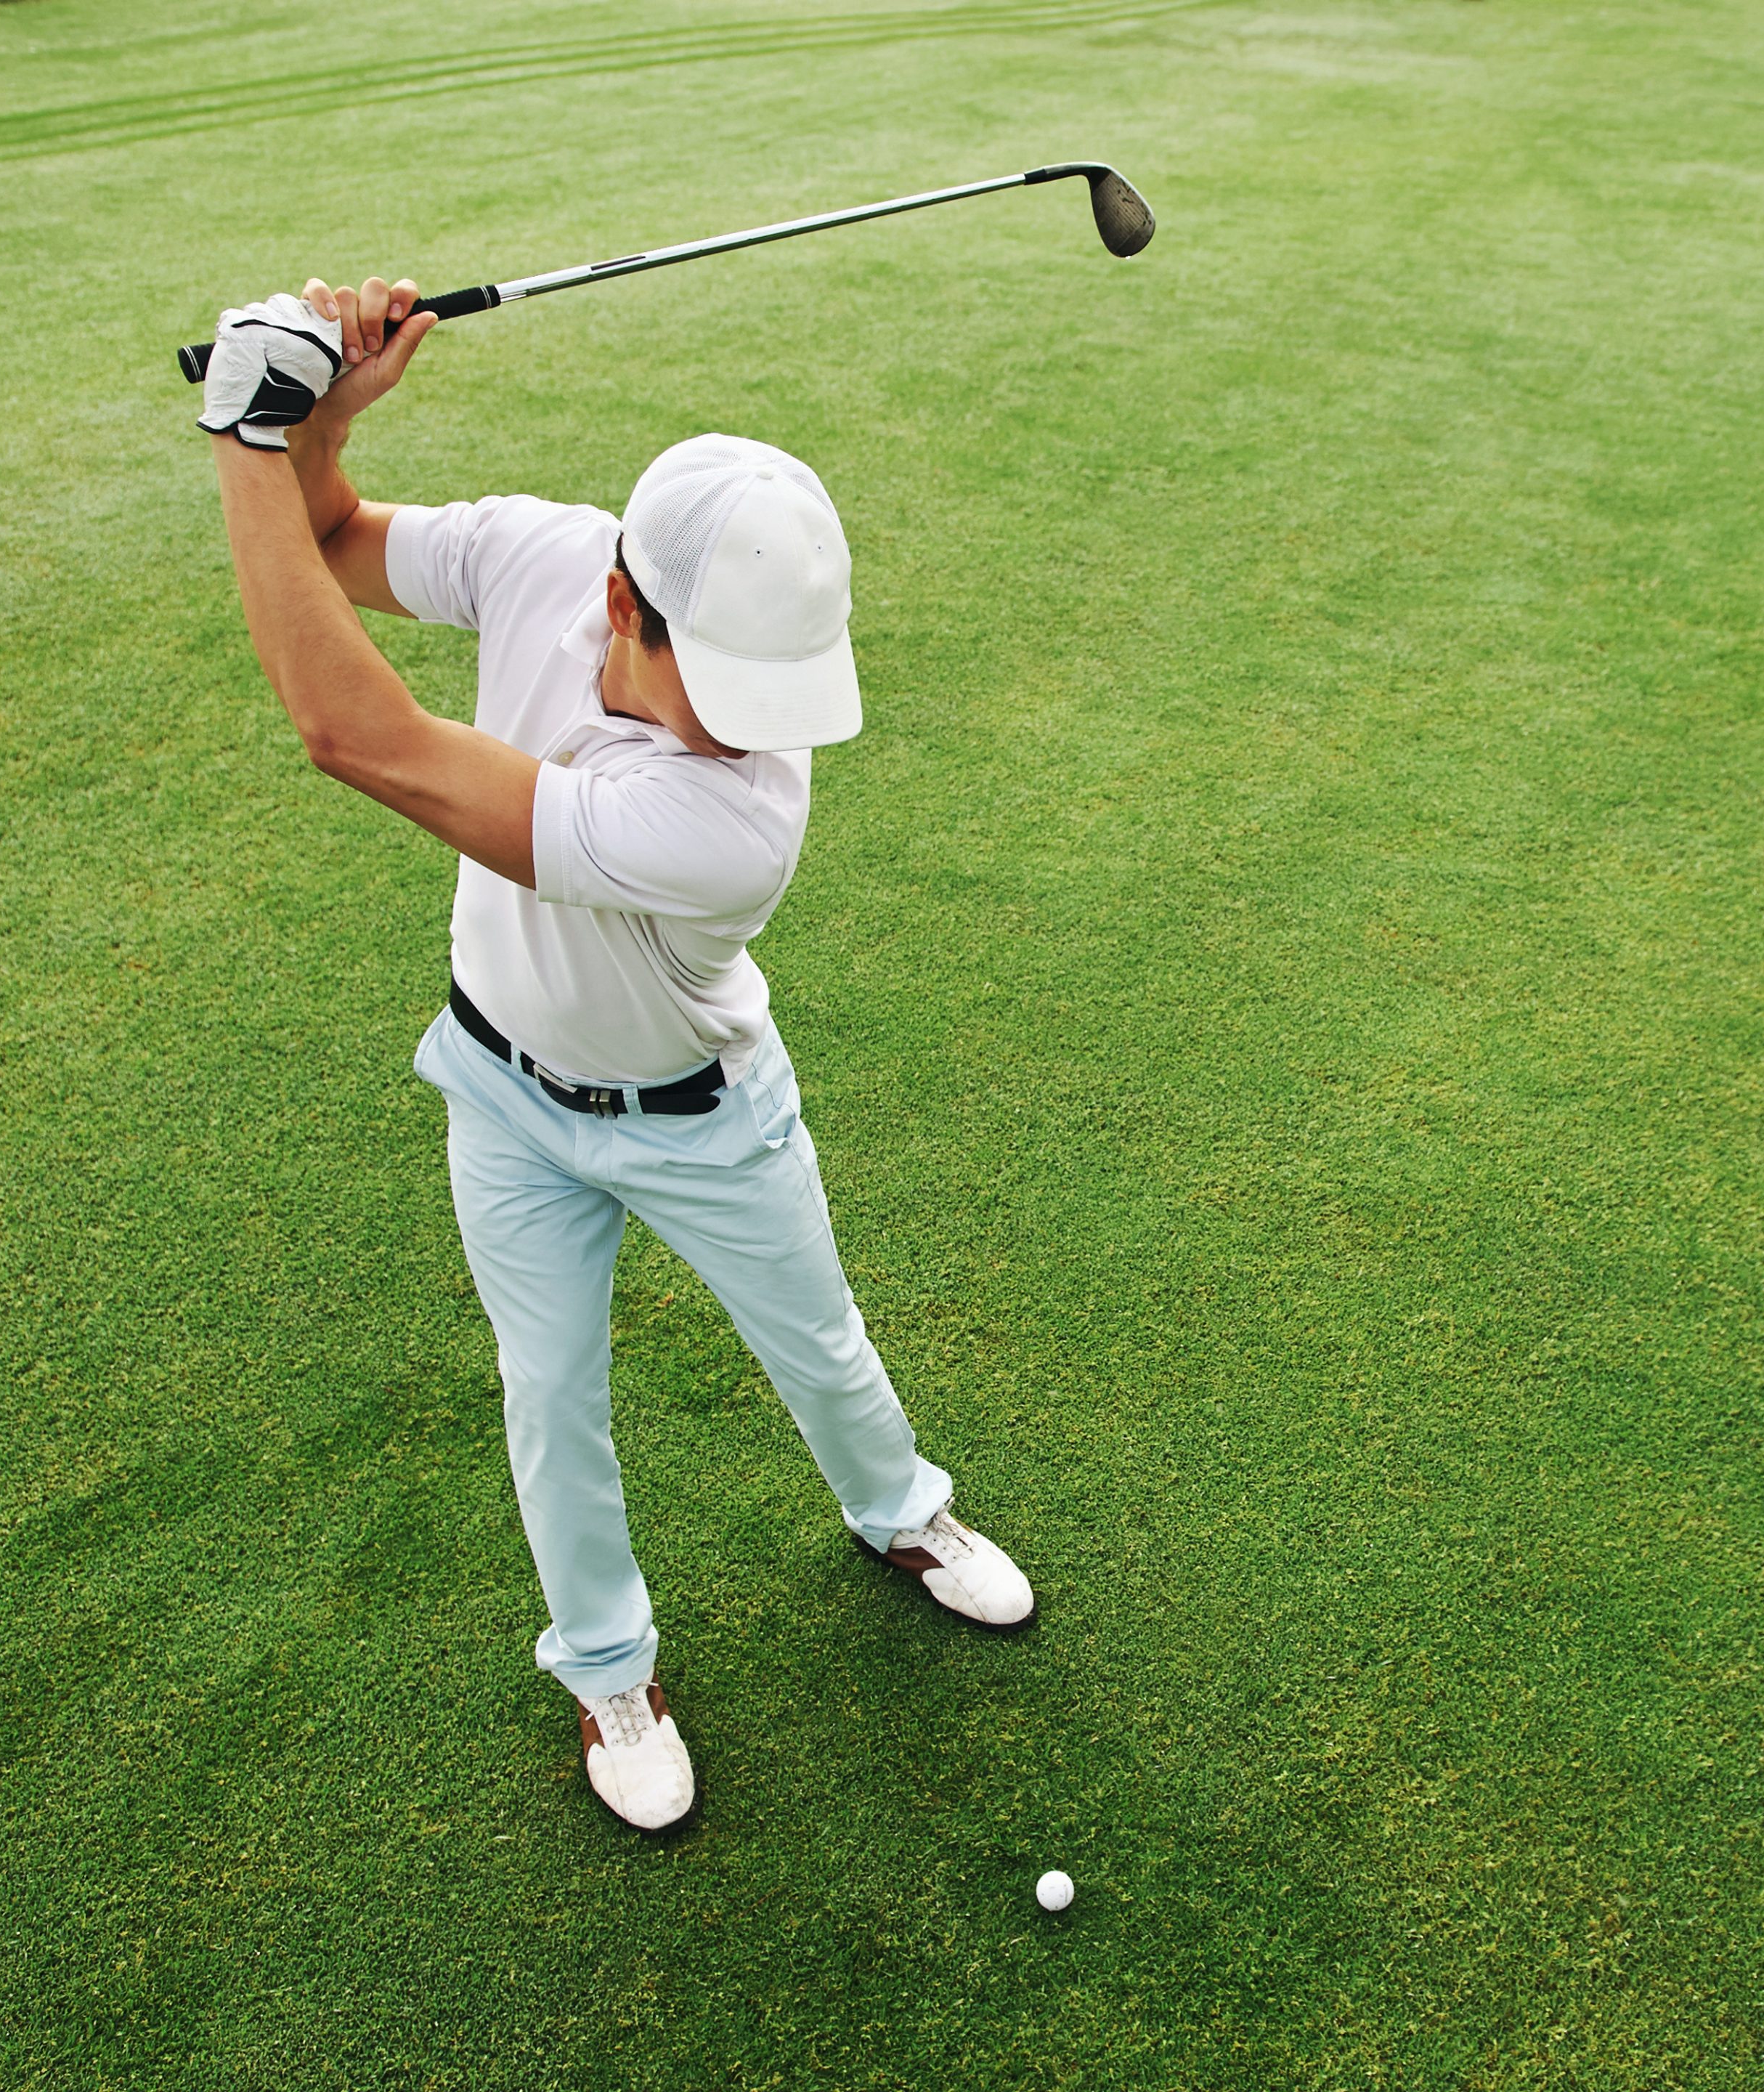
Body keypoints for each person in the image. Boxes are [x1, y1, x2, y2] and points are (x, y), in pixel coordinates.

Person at [198, 276, 1033, 1833]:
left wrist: (250, 436)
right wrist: (318, 434)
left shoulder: (735, 819)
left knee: (823, 1346)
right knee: (552, 1396)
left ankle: (902, 1514)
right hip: (503, 1096)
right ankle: (608, 1671)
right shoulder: (540, 551)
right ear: (624, 603)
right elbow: (334, 540)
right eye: (734, 685)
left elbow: (356, 738)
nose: (763, 725)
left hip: (704, 1118)